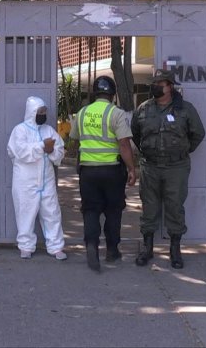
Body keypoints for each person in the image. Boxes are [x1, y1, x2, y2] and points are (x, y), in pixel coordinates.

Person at [131, 69, 205, 269]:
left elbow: (198, 133)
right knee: (149, 207)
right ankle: (147, 249)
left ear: (170, 86)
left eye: (160, 84)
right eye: (154, 83)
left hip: (176, 167)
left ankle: (175, 251)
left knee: (174, 207)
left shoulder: (185, 109)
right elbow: (136, 134)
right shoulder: (144, 109)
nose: (155, 87)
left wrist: (183, 150)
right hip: (150, 166)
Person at [70, 76, 137, 272]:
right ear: (112, 94)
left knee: (90, 210)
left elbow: (74, 140)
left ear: (95, 92)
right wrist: (132, 168)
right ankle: (112, 251)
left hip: (88, 172)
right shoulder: (116, 113)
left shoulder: (82, 113)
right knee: (113, 211)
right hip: (112, 171)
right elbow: (124, 144)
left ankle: (91, 246)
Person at [7, 96, 67, 261]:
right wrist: (42, 147)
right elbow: (20, 152)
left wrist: (52, 152)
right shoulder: (20, 130)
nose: (43, 114)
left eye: (44, 111)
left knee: (52, 213)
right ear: (32, 113)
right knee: (25, 213)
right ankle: (25, 246)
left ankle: (56, 247)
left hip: (46, 181)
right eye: (40, 112)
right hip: (25, 182)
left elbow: (60, 150)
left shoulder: (48, 130)